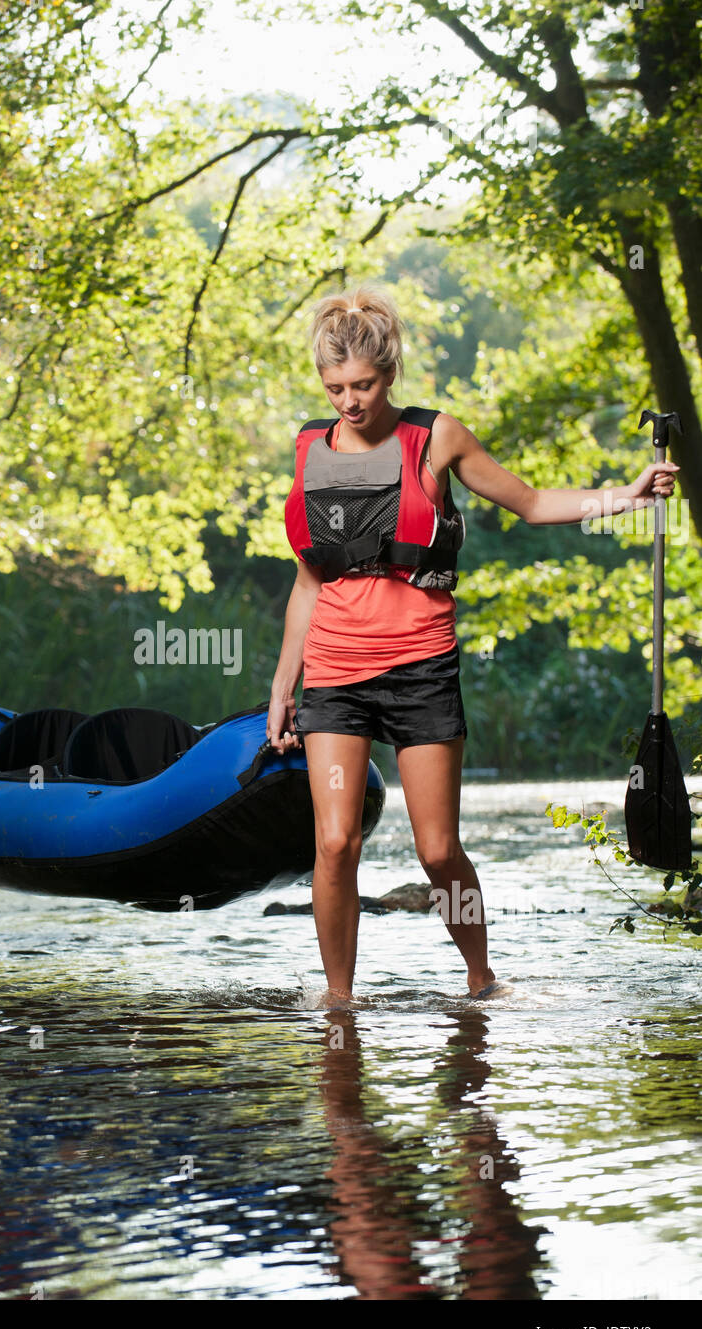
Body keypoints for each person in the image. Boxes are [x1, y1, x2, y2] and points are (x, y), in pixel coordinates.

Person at [267, 286, 679, 1005]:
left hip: (421, 668)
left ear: (388, 373)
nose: (348, 402)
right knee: (333, 844)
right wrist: (281, 687)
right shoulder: (309, 449)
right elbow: (308, 581)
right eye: (334, 388)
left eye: (361, 385)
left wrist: (628, 495)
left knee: (436, 851)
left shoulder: (436, 437)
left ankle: (481, 979)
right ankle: (339, 1004)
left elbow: (530, 502)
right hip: (334, 675)